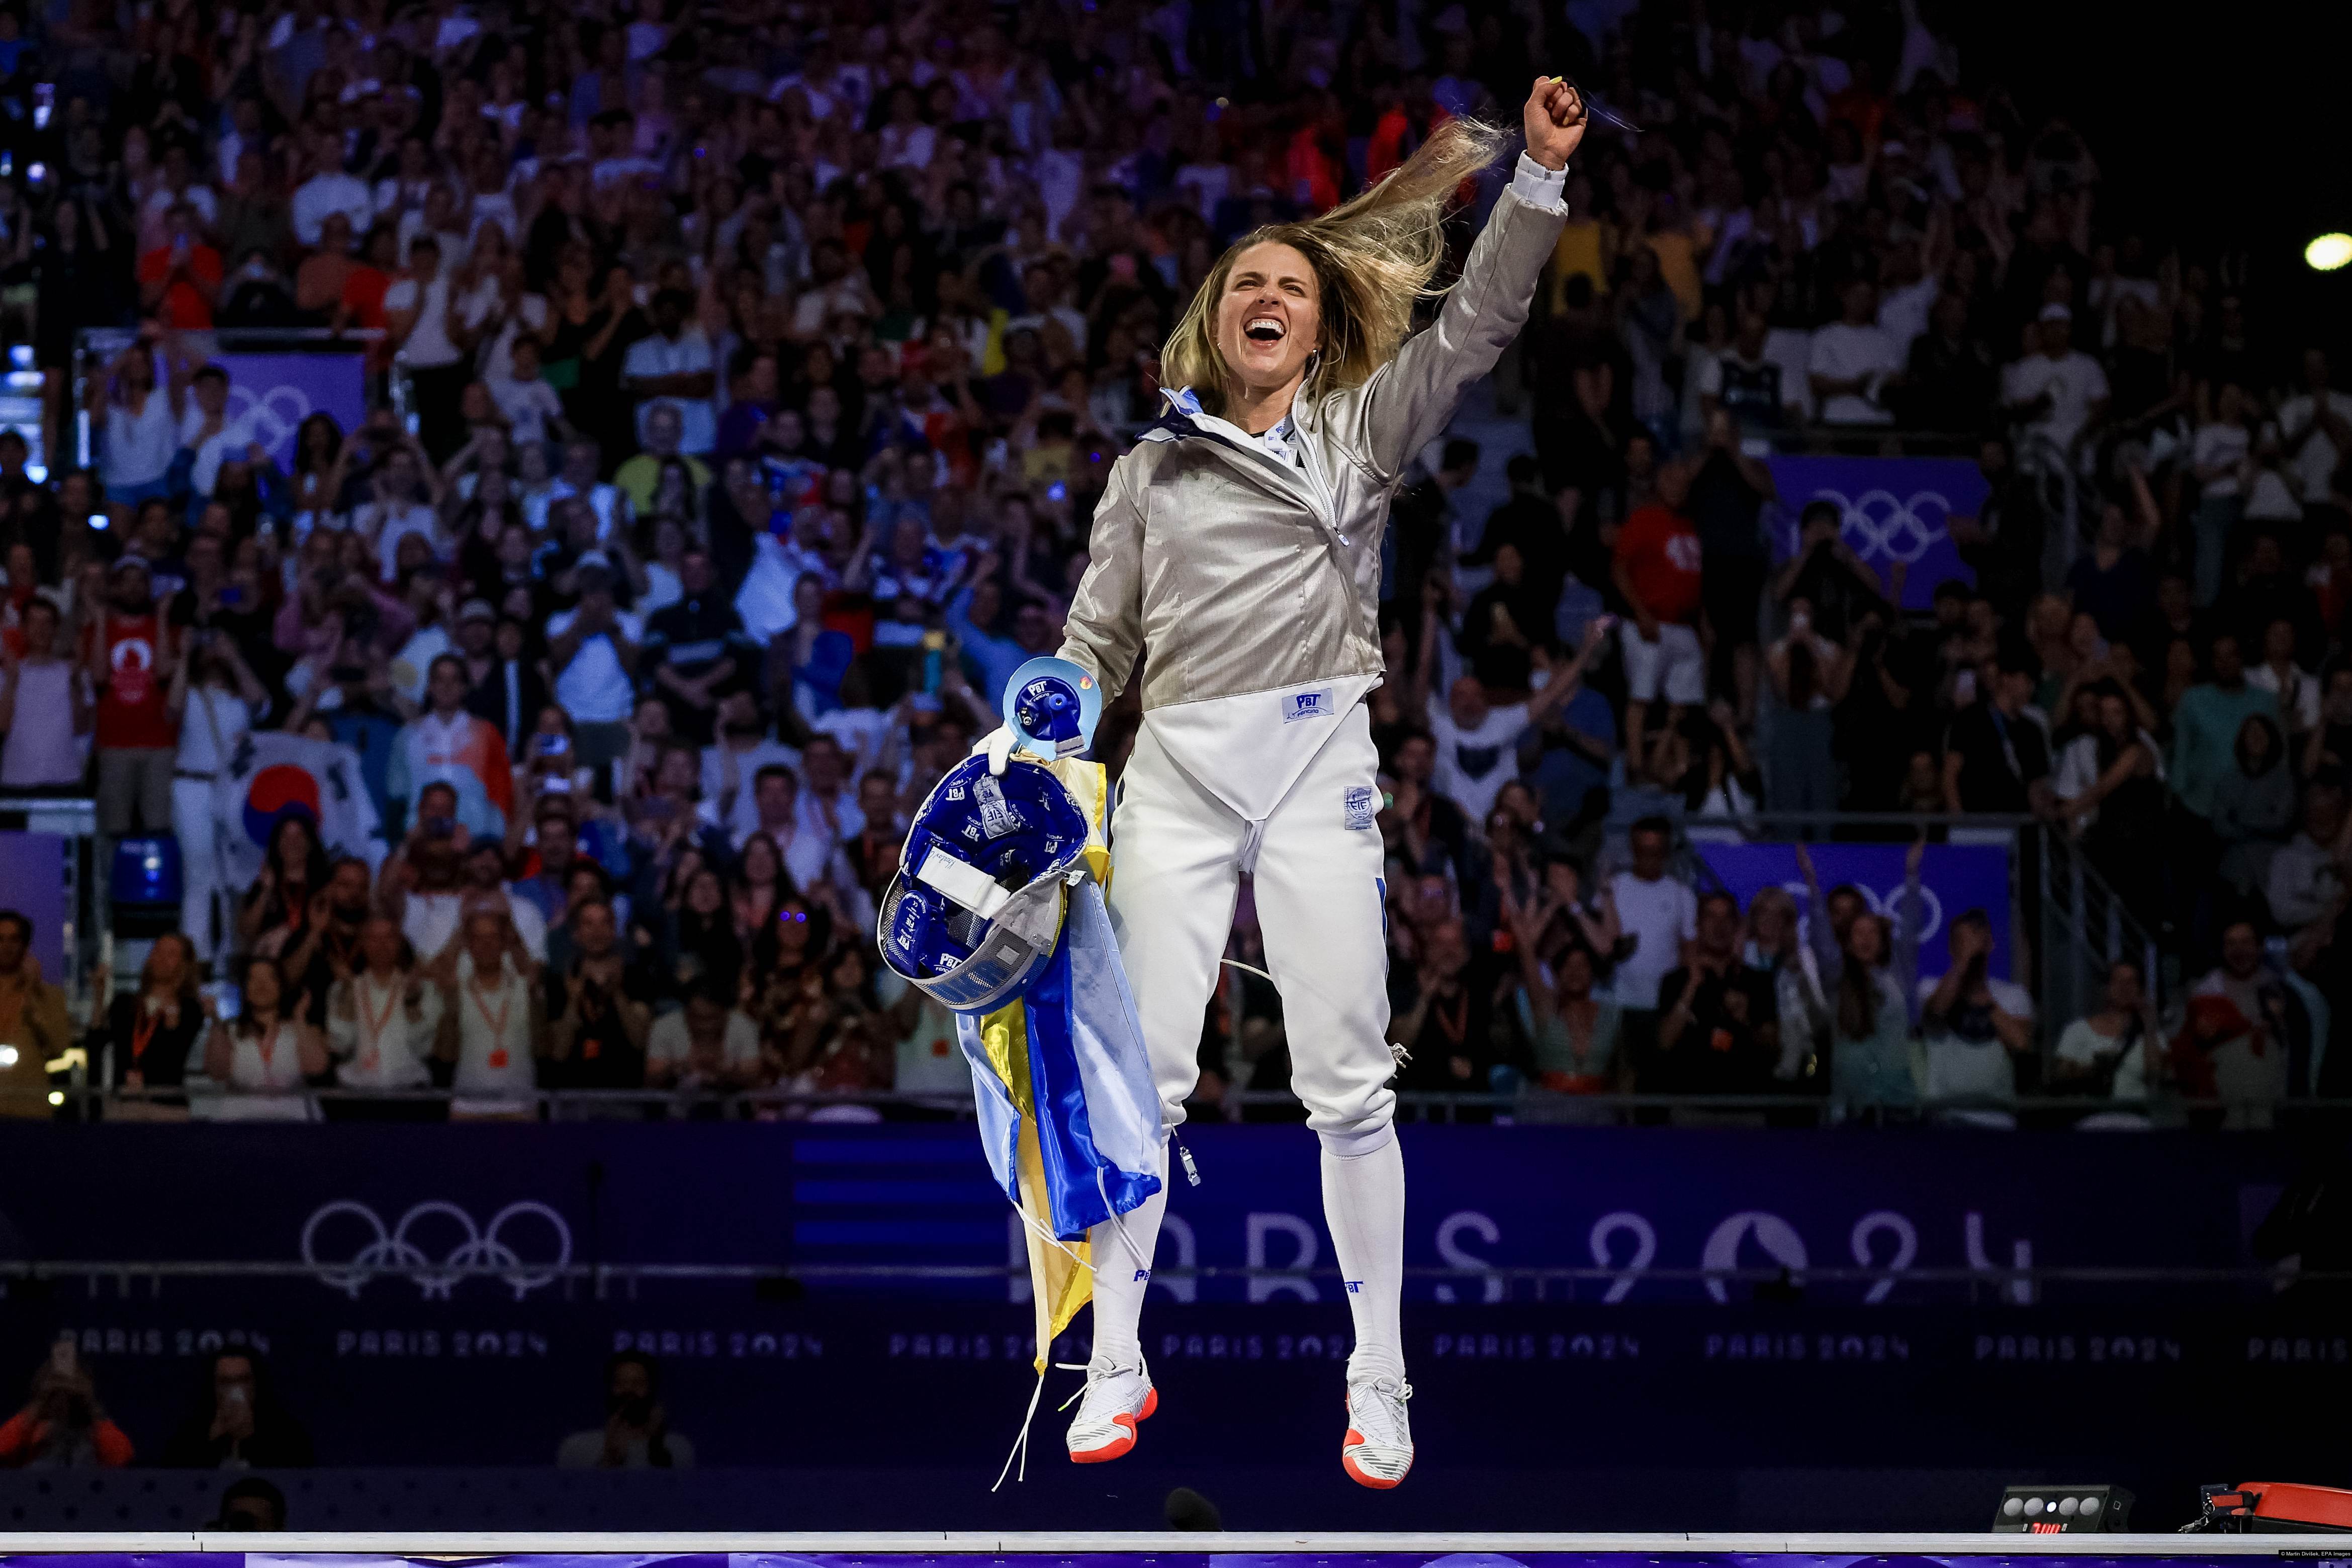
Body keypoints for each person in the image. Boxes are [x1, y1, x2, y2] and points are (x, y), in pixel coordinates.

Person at [1043, 79, 1583, 1484]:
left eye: (1289, 279)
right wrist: (1047, 721)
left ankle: (1379, 1377)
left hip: (1313, 763)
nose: (1266, 294)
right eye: (1244, 284)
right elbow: (1095, 640)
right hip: (1173, 769)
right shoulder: (1147, 470)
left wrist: (1531, 183)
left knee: (1346, 1085)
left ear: (1317, 317)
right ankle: (1111, 1361)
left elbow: (1475, 324)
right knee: (1135, 1086)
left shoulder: (1356, 435)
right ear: (1215, 323)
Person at [1917, 909, 2036, 1127]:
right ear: (1952, 948)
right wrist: (1963, 965)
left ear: (1990, 943)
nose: (1971, 949)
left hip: (1997, 1118)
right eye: (1962, 942)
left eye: (1976, 941)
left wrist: (1981, 995)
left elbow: (2021, 1044)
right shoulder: (1930, 987)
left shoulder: (2014, 995)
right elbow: (1936, 1014)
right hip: (1944, 1116)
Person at [325, 914, 444, 1102]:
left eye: (389, 938)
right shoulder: (343, 989)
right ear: (362, 943)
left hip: (411, 1095)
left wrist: (412, 1001)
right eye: (373, 938)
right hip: (355, 1097)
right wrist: (348, 997)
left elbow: (424, 1049)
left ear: (400, 943)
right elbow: (340, 1046)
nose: (381, 945)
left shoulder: (423, 989)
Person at [84, 932, 205, 1115]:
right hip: (124, 1103)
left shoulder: (190, 1009)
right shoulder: (124, 1004)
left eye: (171, 954)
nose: (162, 958)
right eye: (157, 951)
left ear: (184, 965)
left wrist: (171, 1019)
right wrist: (99, 997)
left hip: (167, 1106)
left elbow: (175, 1054)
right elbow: (95, 1043)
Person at [202, 955, 329, 1120]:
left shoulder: (301, 1028)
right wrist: (217, 1023)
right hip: (240, 1122)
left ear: (282, 987)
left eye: (270, 978)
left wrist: (299, 1018)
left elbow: (316, 1068)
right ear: (245, 988)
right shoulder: (228, 1029)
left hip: (295, 1123)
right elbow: (217, 1073)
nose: (262, 985)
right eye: (254, 979)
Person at [160, 1350, 313, 1468]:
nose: (235, 1390)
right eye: (226, 1382)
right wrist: (211, 1441)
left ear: (256, 1384)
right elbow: (176, 1480)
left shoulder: (287, 1434)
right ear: (213, 1387)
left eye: (243, 1381)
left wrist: (253, 1440)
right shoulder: (189, 1436)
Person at [0, 597, 91, 789]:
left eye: (47, 622)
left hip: (64, 778)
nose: (40, 629)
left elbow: (82, 728)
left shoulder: (73, 673)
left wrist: (75, 684)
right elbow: (3, 727)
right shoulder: (9, 674)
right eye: (34, 622)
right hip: (16, 780)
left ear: (56, 629)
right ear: (23, 628)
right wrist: (11, 684)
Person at [0, 1342, 135, 1467]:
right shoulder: (31, 1427)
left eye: (72, 1383)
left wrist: (90, 1412)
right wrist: (36, 1412)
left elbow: (121, 1458)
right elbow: (3, 1450)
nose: (63, 1396)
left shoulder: (97, 1428)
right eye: (56, 1381)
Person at [557, 1351, 694, 1468]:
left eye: (638, 1383)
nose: (628, 1390)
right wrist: (610, 1459)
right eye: (620, 1383)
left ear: (652, 1390)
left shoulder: (679, 1447)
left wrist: (657, 1449)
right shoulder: (576, 1448)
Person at [0, 910, 71, 1120]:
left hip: (29, 1107)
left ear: (25, 945)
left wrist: (33, 997)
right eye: (0, 939)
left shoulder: (48, 995)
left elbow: (60, 1047)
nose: (7, 947)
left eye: (14, 939)